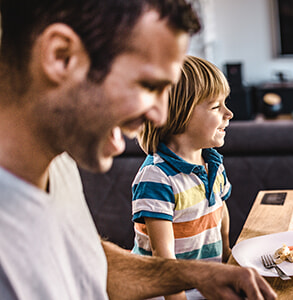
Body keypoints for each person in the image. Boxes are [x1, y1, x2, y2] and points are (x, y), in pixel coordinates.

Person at [0, 1, 276, 299]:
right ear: (61, 57)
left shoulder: (57, 162)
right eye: (148, 85)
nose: (160, 115)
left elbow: (86, 258)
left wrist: (198, 273)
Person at [131, 55, 235, 300]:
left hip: (204, 283)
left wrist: (228, 254)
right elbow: (163, 255)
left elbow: (220, 208)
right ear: (180, 114)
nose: (228, 113)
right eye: (215, 107)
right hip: (165, 292)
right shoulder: (157, 177)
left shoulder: (213, 163)